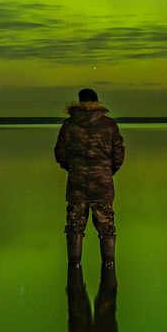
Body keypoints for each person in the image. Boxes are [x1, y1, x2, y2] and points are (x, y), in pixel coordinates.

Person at [54, 88, 125, 270]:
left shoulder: (69, 125)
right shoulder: (109, 125)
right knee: (106, 227)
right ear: (96, 101)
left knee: (74, 227)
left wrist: (73, 168)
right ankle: (109, 267)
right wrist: (107, 170)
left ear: (79, 102)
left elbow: (60, 154)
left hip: (77, 183)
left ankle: (74, 267)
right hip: (102, 184)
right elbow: (118, 154)